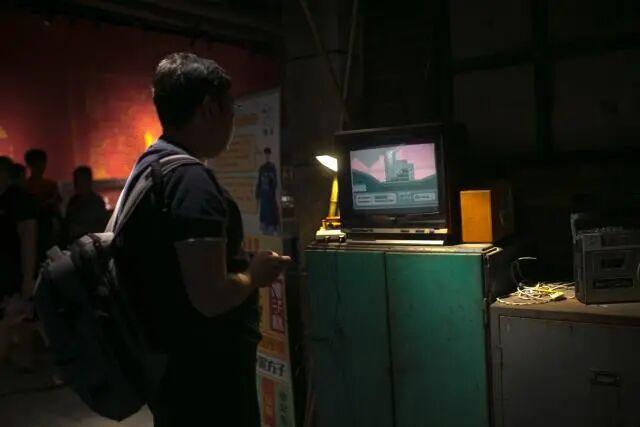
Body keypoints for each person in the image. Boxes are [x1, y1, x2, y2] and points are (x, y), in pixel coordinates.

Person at [113, 52, 290, 427]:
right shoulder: (192, 182)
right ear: (209, 108)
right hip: (207, 375)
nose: (232, 120)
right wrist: (254, 275)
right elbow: (210, 297)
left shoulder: (152, 165)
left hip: (170, 366)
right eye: (231, 108)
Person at [0, 157, 37, 306]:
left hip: (13, 272)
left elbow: (28, 237)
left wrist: (27, 278)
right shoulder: (9, 198)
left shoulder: (17, 198)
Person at [24, 149, 61, 262]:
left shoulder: (49, 185)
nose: (42, 166)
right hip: (36, 228)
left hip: (46, 228)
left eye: (43, 162)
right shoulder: (26, 186)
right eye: (38, 163)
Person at [65, 166, 107, 243]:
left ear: (89, 181)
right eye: (76, 180)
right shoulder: (73, 201)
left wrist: (83, 230)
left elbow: (102, 227)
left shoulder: (97, 202)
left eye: (81, 180)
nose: (77, 184)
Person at [255, 147, 279, 235]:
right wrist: (257, 193)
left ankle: (272, 226)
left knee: (271, 210)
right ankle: (264, 226)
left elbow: (274, 182)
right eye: (265, 154)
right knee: (264, 210)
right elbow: (259, 181)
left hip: (270, 194)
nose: (266, 156)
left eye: (268, 154)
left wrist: (271, 185)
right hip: (263, 193)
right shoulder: (262, 168)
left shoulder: (272, 167)